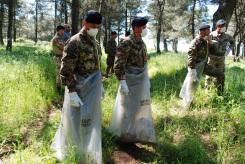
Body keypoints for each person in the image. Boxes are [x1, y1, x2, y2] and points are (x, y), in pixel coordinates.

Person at [51, 10, 103, 163]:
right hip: (78, 90)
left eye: (98, 26)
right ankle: (72, 151)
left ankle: (86, 148)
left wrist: (99, 85)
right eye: (93, 25)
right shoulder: (74, 42)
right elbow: (66, 70)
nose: (95, 28)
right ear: (85, 23)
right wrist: (72, 92)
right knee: (74, 120)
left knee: (89, 119)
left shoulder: (94, 41)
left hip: (91, 89)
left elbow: (96, 65)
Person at [108, 17, 156, 144]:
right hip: (129, 80)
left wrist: (146, 77)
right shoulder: (127, 42)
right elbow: (119, 64)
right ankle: (124, 134)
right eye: (140, 27)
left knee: (137, 107)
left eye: (144, 27)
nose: (142, 29)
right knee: (127, 107)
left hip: (140, 80)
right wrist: (122, 81)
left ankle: (132, 132)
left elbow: (144, 61)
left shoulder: (141, 42)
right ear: (134, 27)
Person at [179, 23, 225, 108]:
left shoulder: (205, 41)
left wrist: (210, 42)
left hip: (204, 65)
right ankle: (187, 104)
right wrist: (192, 70)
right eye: (208, 30)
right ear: (203, 31)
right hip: (195, 67)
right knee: (192, 85)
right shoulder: (196, 41)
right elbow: (190, 56)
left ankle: (220, 96)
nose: (210, 31)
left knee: (220, 74)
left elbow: (214, 52)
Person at [205, 19, 235, 93]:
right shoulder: (211, 35)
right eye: (221, 26)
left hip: (221, 59)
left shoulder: (227, 36)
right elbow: (206, 45)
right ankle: (207, 92)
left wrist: (228, 51)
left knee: (220, 75)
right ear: (218, 27)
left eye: (224, 26)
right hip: (212, 58)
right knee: (209, 76)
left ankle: (219, 92)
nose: (223, 28)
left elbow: (233, 42)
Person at [51, 25, 65, 92]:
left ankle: (61, 88)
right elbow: (63, 47)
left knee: (61, 73)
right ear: (58, 31)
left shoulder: (60, 38)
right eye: (61, 31)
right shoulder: (56, 39)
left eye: (63, 31)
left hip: (61, 57)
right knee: (59, 73)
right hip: (58, 57)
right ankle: (58, 88)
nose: (63, 32)